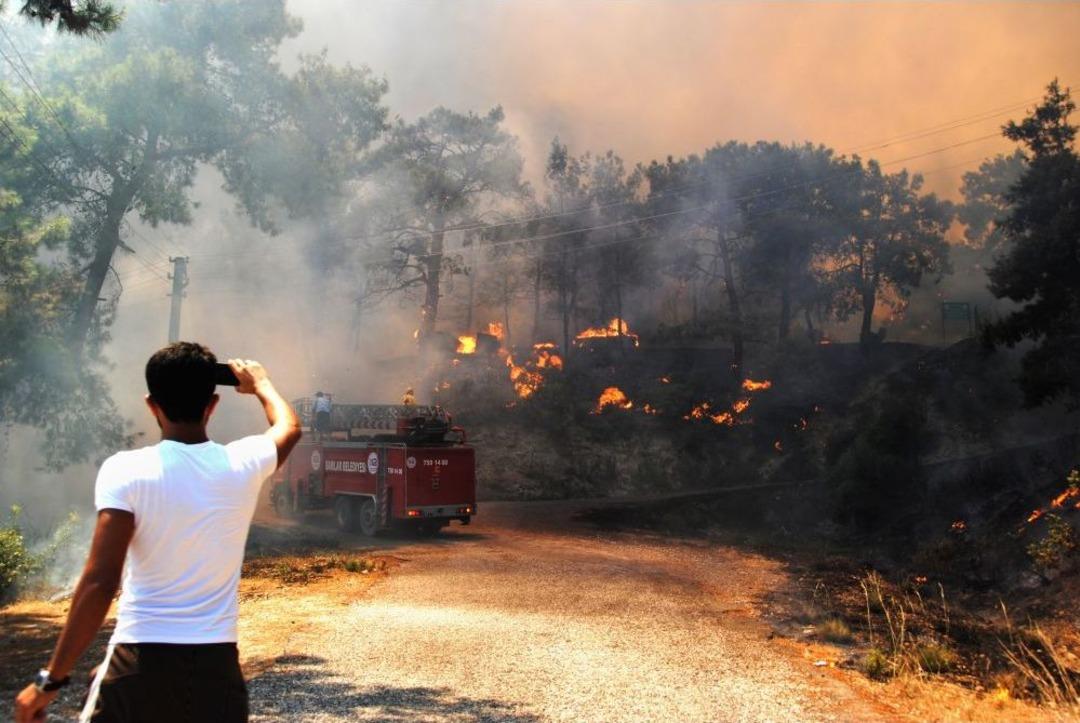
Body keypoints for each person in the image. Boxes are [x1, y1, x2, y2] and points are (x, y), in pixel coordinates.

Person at [14, 342, 302, 723]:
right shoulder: (243, 463)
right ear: (212, 405)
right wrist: (261, 383)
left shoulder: (126, 470)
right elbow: (290, 427)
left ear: (152, 405)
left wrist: (49, 681)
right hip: (218, 676)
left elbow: (100, 582)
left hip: (137, 666)